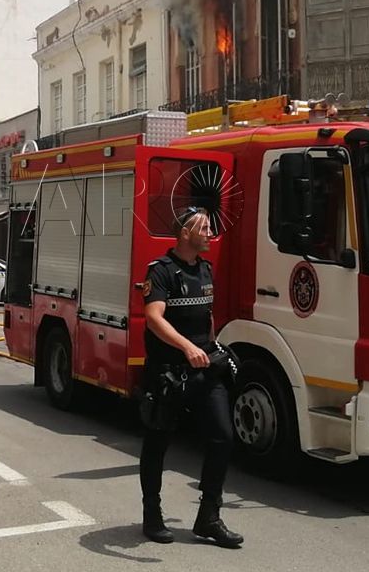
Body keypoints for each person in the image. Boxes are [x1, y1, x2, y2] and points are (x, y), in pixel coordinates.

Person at [137, 208, 243, 549]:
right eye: (204, 227)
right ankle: (152, 515)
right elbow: (154, 318)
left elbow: (206, 316)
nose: (210, 232)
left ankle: (208, 518)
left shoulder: (206, 269)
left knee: (223, 437)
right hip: (169, 373)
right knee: (158, 443)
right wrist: (186, 348)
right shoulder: (162, 271)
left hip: (204, 371)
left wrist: (213, 348)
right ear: (185, 233)